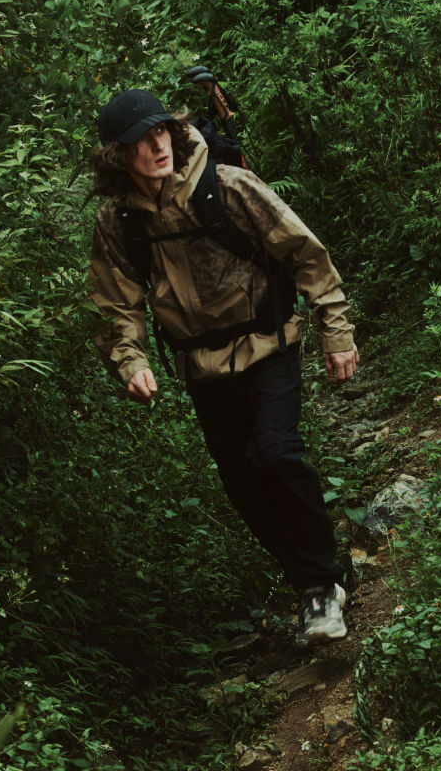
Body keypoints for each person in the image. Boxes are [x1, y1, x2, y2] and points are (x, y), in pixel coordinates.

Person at [87, 88, 359, 643]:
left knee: (276, 452)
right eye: (141, 140)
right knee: (244, 485)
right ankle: (317, 581)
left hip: (268, 345)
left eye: (161, 131)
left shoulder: (227, 186)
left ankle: (319, 585)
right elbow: (115, 303)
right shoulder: (118, 221)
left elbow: (305, 253)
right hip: (203, 367)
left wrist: (336, 332)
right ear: (118, 156)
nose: (158, 145)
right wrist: (130, 361)